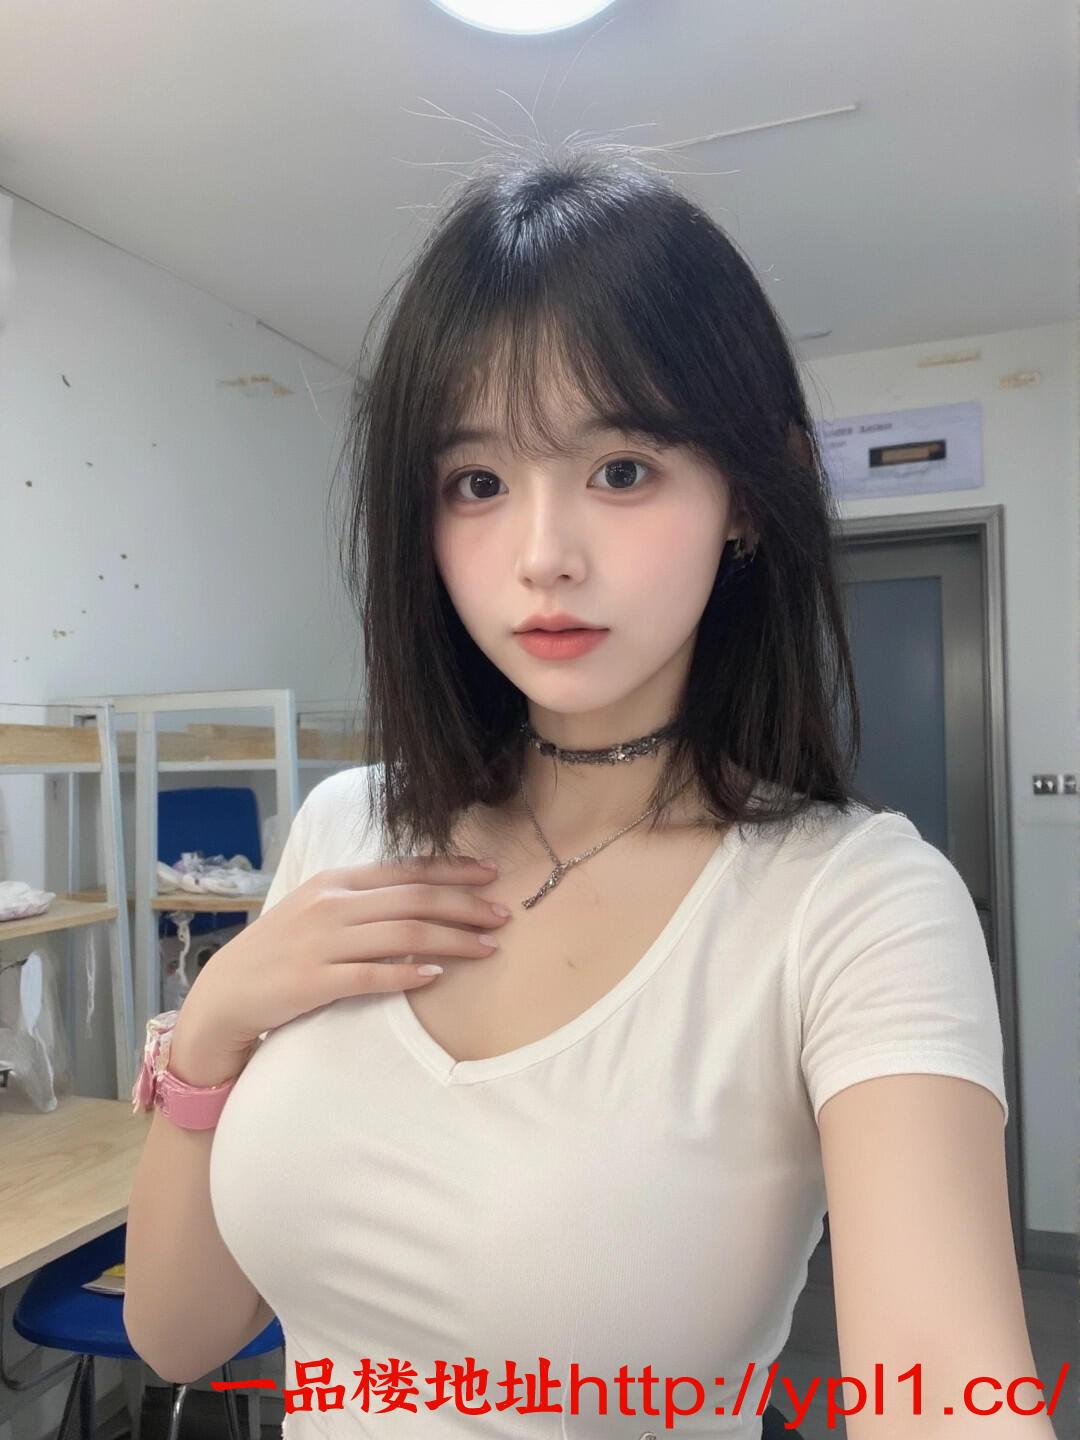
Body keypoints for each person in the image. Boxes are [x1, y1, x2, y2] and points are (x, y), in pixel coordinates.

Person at [124, 145, 1043, 1439]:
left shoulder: (854, 904)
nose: (543, 555)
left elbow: (947, 1387)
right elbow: (180, 1336)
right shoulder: (347, 829)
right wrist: (213, 1024)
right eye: (478, 483)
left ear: (747, 496)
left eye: (621, 470)